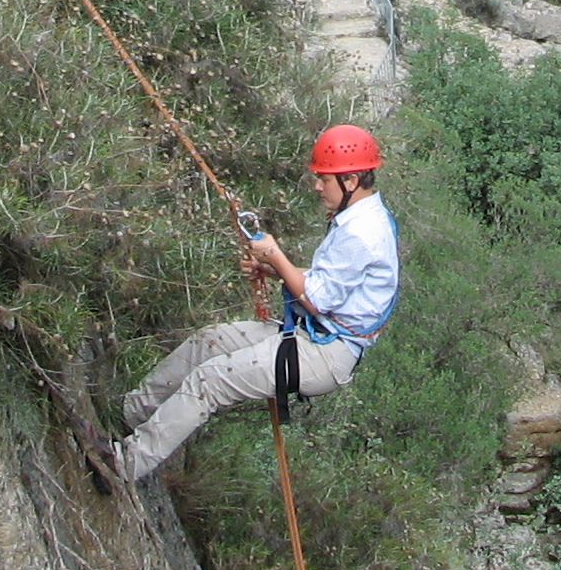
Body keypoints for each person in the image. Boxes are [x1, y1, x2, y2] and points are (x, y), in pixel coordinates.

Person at [107, 125, 400, 485]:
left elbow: (318, 298)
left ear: (351, 180)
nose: (317, 187)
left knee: (210, 381)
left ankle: (124, 465)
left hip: (325, 352)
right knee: (209, 342)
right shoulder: (360, 219)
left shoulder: (361, 231)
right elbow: (331, 284)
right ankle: (131, 413)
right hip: (312, 335)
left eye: (324, 179)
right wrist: (271, 268)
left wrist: (275, 256)